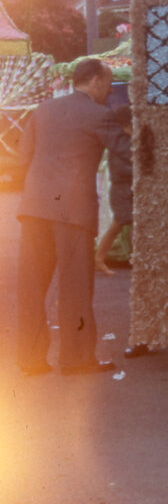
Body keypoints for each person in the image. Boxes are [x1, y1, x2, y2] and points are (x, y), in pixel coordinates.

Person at [17, 58, 133, 375]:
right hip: (73, 211)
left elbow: (23, 157)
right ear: (94, 81)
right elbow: (129, 152)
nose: (109, 91)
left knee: (31, 286)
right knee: (75, 287)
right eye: (108, 84)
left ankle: (29, 359)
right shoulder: (99, 114)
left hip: (35, 207)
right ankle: (75, 358)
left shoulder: (43, 110)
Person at [95, 104, 133, 275]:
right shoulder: (119, 143)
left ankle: (100, 257)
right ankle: (99, 257)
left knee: (120, 224)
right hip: (121, 190)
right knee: (118, 224)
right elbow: (120, 170)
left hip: (127, 189)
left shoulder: (125, 141)